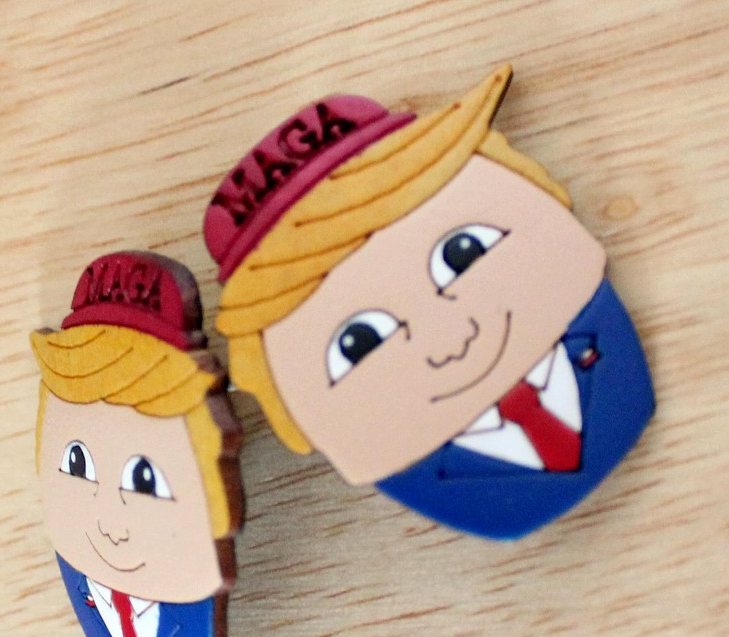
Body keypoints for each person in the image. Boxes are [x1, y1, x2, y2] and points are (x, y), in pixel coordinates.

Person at [204, 65, 654, 539]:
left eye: (464, 253)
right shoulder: (418, 470)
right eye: (360, 343)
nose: (451, 339)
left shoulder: (599, 336)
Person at [30, 252, 242, 637]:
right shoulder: (79, 567)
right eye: (77, 465)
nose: (108, 521)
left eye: (144, 481)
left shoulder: (189, 594)